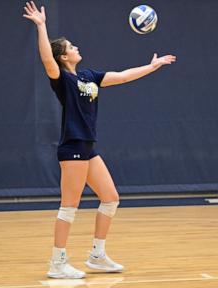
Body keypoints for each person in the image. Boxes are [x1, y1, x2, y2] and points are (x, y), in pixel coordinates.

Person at [23, 1, 176, 279]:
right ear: (64, 56)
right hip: (72, 147)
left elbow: (122, 76)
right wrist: (42, 26)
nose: (75, 47)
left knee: (111, 198)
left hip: (88, 147)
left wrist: (151, 67)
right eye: (70, 47)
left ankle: (97, 255)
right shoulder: (62, 79)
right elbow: (47, 59)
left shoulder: (88, 76)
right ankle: (57, 262)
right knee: (69, 207)